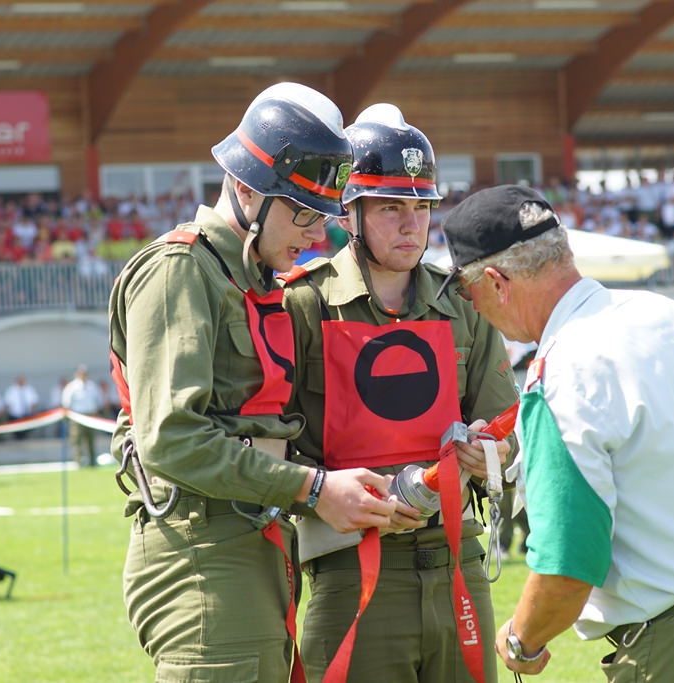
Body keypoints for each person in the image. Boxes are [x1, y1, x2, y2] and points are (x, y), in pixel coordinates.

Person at [107, 82, 398, 682]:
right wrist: (314, 488)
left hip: (253, 537)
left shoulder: (249, 278)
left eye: (323, 216)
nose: (316, 235)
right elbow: (171, 439)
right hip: (201, 547)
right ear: (246, 189)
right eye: (302, 213)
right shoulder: (180, 271)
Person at [437, 184, 674, 681]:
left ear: (496, 282)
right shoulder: (672, 317)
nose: (471, 306)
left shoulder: (563, 369)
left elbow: (568, 562)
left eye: (465, 290)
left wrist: (521, 638)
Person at [280, 103, 519, 683]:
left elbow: (507, 432)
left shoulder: (464, 304)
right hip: (351, 570)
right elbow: (268, 448)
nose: (412, 225)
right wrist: (321, 493)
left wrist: (488, 454)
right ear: (350, 211)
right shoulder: (301, 305)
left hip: (458, 563)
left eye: (421, 207)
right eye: (391, 208)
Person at [60, 365, 102, 467]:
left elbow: (98, 401)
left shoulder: (92, 386)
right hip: (77, 416)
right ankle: (79, 462)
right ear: (77, 374)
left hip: (90, 415)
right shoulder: (71, 387)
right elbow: (66, 403)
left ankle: (92, 462)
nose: (83, 375)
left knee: (91, 439)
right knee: (77, 440)